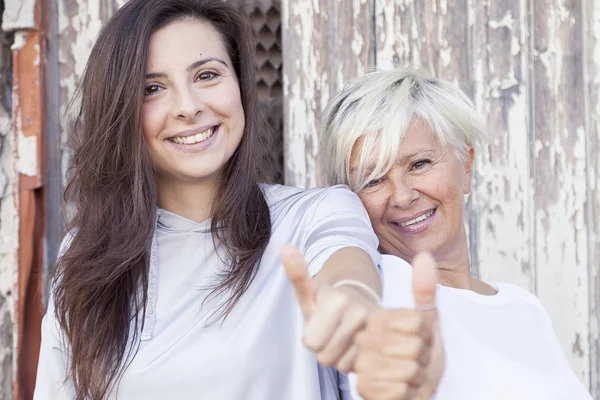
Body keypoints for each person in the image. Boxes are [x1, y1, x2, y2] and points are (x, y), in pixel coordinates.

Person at [33, 1, 386, 399]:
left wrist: (353, 305)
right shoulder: (84, 260)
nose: (188, 107)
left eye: (207, 75)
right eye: (152, 88)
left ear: (239, 84)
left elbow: (348, 274)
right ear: (120, 111)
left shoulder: (313, 217)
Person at [321, 68, 593, 400]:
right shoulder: (374, 294)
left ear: (466, 166)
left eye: (419, 164)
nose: (403, 196)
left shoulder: (526, 307)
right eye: (373, 179)